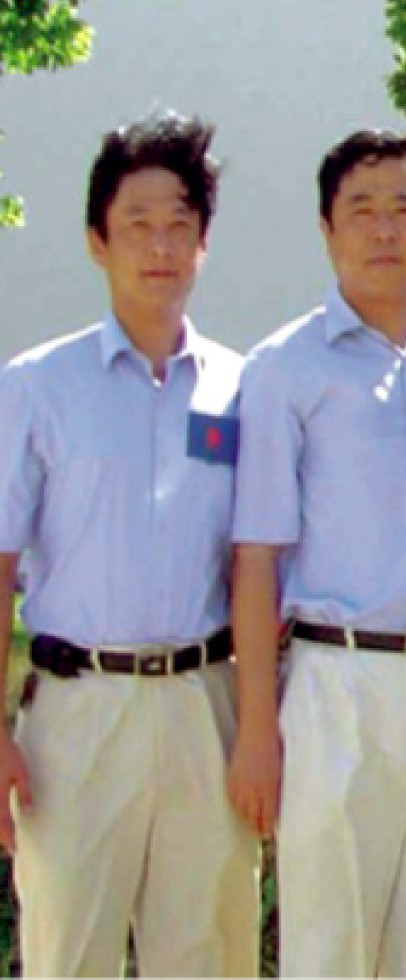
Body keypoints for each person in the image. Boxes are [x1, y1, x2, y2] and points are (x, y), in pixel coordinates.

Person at [227, 130, 406, 976]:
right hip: (334, 688)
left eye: (404, 208)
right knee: (331, 943)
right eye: (362, 210)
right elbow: (255, 559)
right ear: (326, 229)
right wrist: (255, 733)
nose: (384, 229)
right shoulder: (284, 369)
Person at [0, 114, 258, 975]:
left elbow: (256, 564)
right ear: (95, 240)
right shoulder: (37, 388)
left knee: (209, 953)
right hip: (79, 716)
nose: (160, 246)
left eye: (179, 224)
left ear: (205, 243)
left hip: (204, 709)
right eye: (137, 224)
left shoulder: (241, 388)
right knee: (69, 954)